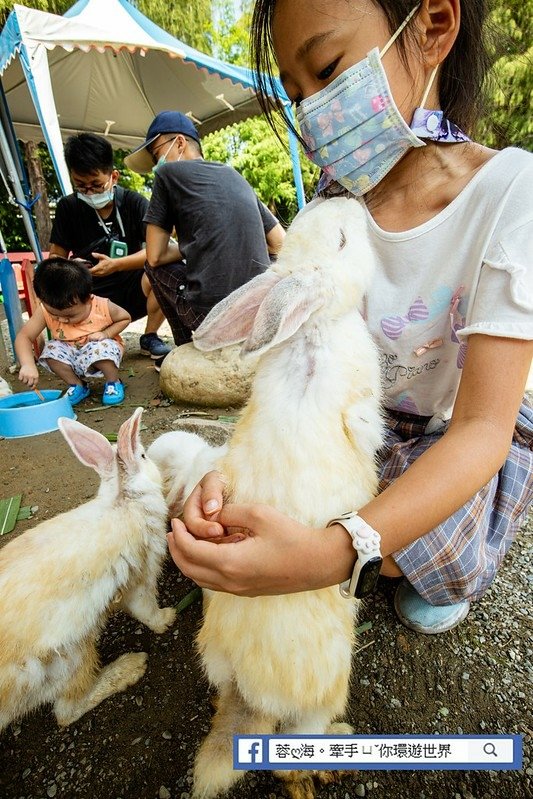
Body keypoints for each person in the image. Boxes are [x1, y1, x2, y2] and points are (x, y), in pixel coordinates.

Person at [166, 0, 533, 634]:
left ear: (433, 25)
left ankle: (393, 559)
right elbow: (296, 373)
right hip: (355, 421)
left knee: (438, 535)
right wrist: (234, 474)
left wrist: (328, 554)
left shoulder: (510, 195)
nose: (312, 114)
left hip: (448, 430)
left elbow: (481, 428)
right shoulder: (336, 206)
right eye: (295, 96)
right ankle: (366, 550)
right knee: (250, 505)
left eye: (328, 70)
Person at [124, 110, 285, 365]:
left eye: (157, 154)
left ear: (179, 142)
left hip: (210, 318)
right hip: (257, 311)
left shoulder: (167, 176)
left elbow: (154, 256)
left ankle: (184, 347)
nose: (157, 165)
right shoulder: (234, 175)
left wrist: (189, 245)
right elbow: (279, 242)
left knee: (152, 268)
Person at [49, 133, 173, 360]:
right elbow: (54, 258)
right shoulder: (68, 207)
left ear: (113, 176)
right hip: (90, 296)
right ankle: (83, 338)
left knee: (164, 271)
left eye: (96, 185)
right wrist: (69, 267)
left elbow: (157, 250)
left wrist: (117, 265)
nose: (89, 192)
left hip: (133, 289)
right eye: (81, 186)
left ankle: (150, 336)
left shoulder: (134, 203)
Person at [15, 257, 130, 406]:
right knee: (51, 351)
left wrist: (106, 334)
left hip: (96, 348)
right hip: (70, 353)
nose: (61, 320)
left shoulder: (102, 306)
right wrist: (27, 364)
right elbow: (24, 336)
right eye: (55, 315)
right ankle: (77, 385)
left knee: (102, 348)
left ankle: (113, 382)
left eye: (69, 316)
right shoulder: (44, 311)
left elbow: (125, 318)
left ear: (88, 298)